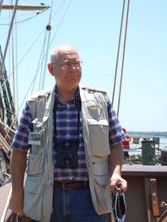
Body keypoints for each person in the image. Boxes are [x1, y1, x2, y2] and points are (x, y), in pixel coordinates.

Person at [9, 45, 127, 222]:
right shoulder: (35, 105)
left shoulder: (101, 101)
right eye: (67, 64)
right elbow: (18, 152)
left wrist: (116, 174)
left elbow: (116, 144)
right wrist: (17, 192)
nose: (73, 69)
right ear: (51, 69)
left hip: (90, 198)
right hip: (46, 196)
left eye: (77, 64)